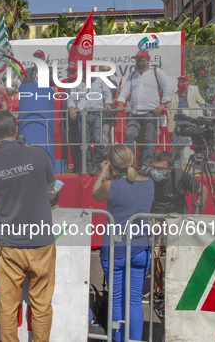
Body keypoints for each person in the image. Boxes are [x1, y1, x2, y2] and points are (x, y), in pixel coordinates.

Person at [0, 111, 56, 342]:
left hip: (10, 244)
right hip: (41, 241)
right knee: (41, 305)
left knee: (7, 305)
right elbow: (51, 189)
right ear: (17, 129)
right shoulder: (39, 154)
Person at [91, 145, 152, 342]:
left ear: (114, 167)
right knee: (134, 301)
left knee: (117, 301)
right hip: (140, 246)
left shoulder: (112, 185)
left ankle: (118, 339)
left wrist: (103, 172)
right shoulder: (150, 183)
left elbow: (95, 194)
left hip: (115, 249)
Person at [148, 150, 208, 310]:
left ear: (170, 169)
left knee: (179, 257)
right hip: (154, 219)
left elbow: (203, 191)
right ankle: (159, 292)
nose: (156, 171)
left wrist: (196, 218)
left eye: (160, 169)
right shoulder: (146, 174)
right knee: (153, 255)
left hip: (177, 219)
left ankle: (179, 290)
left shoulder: (180, 176)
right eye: (154, 167)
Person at [116, 50, 175, 173]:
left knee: (149, 139)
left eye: (141, 59)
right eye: (137, 60)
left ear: (148, 60)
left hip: (150, 111)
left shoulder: (156, 71)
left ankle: (146, 165)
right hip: (134, 112)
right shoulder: (133, 75)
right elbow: (125, 90)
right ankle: (129, 164)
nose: (139, 62)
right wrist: (121, 103)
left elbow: (169, 87)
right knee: (129, 135)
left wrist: (163, 104)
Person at [67, 64, 113, 175]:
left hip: (97, 114)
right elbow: (72, 98)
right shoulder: (77, 82)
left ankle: (97, 165)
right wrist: (72, 108)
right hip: (83, 115)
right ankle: (88, 165)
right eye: (87, 70)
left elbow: (108, 94)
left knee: (97, 141)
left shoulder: (100, 80)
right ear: (82, 71)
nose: (90, 72)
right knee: (85, 142)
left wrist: (108, 103)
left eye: (92, 70)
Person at [167, 75, 208, 165]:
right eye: (179, 82)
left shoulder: (193, 93)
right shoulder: (173, 95)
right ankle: (176, 165)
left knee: (182, 142)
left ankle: (168, 159)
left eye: (182, 82)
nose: (180, 84)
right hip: (174, 123)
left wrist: (208, 112)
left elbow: (202, 102)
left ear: (187, 84)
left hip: (187, 123)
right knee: (176, 145)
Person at [63, 62, 83, 174]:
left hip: (81, 116)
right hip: (69, 118)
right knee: (73, 141)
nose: (71, 74)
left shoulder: (82, 84)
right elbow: (65, 102)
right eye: (69, 72)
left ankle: (82, 166)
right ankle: (75, 166)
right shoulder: (67, 84)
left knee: (81, 142)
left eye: (73, 71)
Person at [99, 65, 119, 148]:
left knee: (106, 139)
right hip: (95, 114)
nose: (105, 72)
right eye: (103, 70)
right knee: (98, 140)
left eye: (108, 70)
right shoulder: (94, 82)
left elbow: (111, 97)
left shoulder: (113, 83)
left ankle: (107, 158)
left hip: (107, 116)